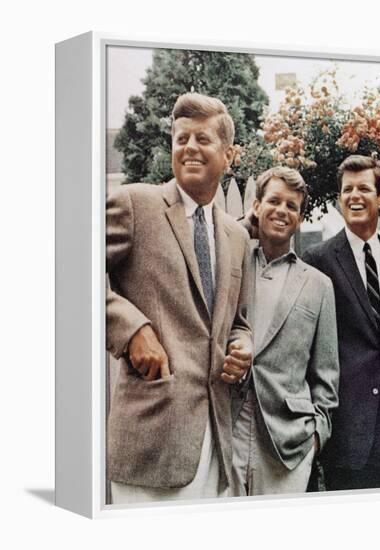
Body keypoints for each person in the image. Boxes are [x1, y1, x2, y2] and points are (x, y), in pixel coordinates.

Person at [106, 93, 253, 503]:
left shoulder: (238, 236)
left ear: (229, 154)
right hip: (151, 440)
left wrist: (243, 345)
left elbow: (238, 320)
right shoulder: (134, 204)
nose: (189, 147)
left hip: (216, 443)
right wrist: (131, 329)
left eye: (202, 139)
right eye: (181, 138)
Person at [231, 166, 339, 496]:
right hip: (227, 430)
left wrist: (316, 436)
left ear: (300, 217)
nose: (281, 211)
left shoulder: (319, 285)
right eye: (273, 201)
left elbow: (326, 375)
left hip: (287, 445)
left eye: (291, 206)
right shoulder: (231, 262)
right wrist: (243, 227)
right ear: (256, 206)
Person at [302, 154, 380, 491]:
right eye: (347, 190)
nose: (354, 196)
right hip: (349, 433)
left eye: (364, 188)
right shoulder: (318, 260)